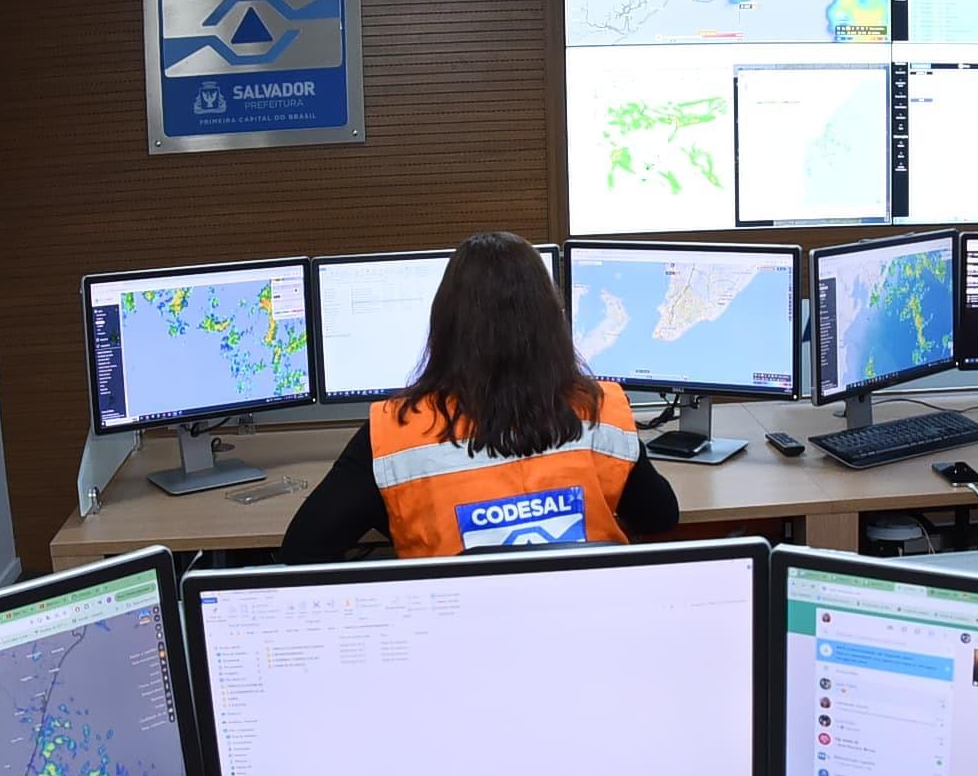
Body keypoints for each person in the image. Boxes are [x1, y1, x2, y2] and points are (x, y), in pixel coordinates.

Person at [279, 232, 679, 561]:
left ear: (446, 325)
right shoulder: (601, 409)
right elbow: (660, 517)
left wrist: (403, 516)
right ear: (551, 321)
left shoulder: (394, 432)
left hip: (457, 643)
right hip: (586, 635)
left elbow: (303, 549)